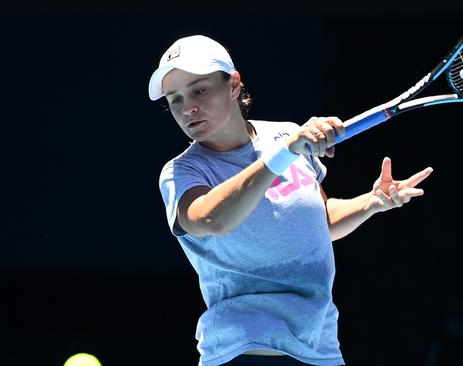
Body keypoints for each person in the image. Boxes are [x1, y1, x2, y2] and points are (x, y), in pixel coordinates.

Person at [149, 35, 433, 366]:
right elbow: (211, 220)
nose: (188, 108)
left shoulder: (285, 135)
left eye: (199, 90)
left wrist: (371, 202)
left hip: (319, 344)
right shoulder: (182, 172)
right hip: (245, 350)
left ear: (234, 85)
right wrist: (283, 154)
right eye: (175, 100)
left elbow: (320, 222)